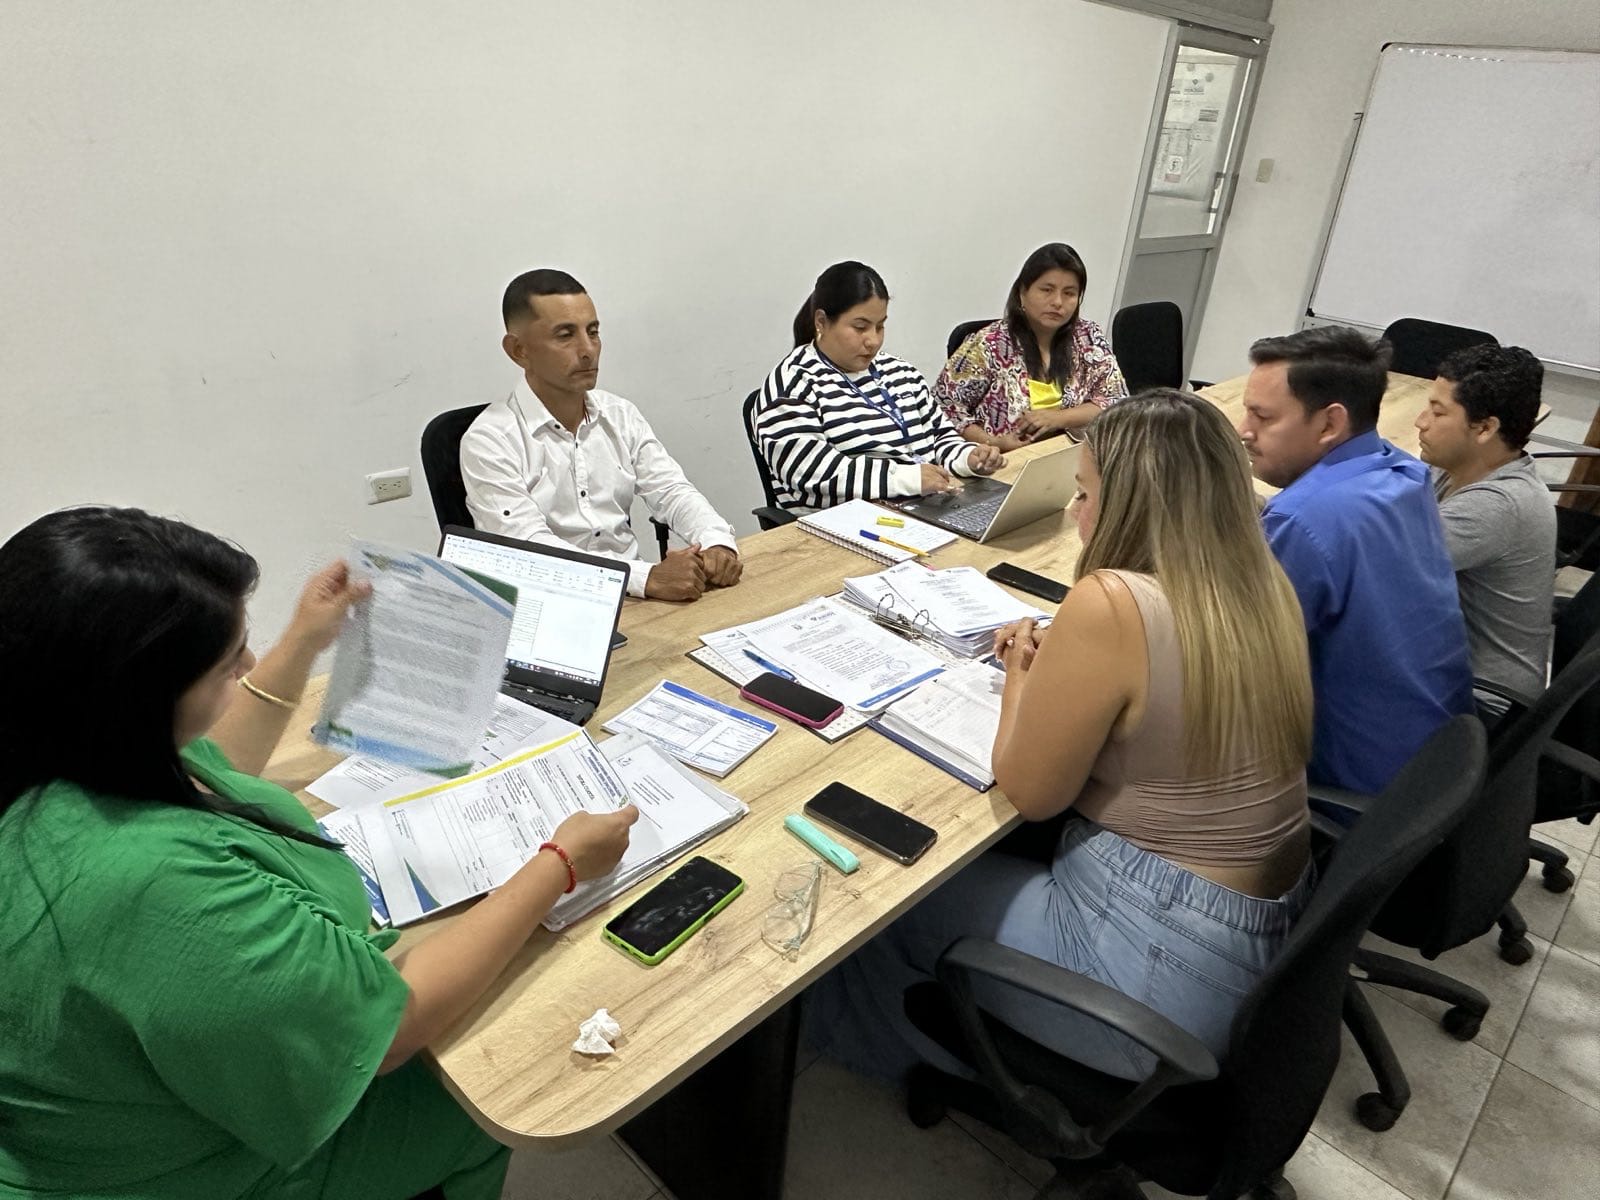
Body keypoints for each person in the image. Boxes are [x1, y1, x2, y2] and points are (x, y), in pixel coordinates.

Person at [0, 507, 639, 1200]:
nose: (248, 666)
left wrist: (304, 641)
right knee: (491, 1092)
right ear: (137, 702)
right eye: (227, 664)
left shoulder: (60, 751)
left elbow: (215, 763)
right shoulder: (152, 885)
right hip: (187, 1172)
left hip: (124, 1101)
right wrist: (559, 864)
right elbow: (393, 1025)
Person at [805, 390, 1315, 1082]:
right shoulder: (1259, 581)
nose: (1076, 512)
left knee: (878, 899)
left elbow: (1031, 792)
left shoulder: (1112, 600)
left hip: (1152, 973)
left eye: (1084, 494)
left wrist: (1021, 670)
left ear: (1131, 504)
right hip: (1253, 938)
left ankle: (909, 1062)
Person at [1239, 326, 1475, 795]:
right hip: (1432, 763)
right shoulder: (1404, 473)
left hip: (1351, 783)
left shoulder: (1300, 520)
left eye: (1262, 417)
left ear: (1330, 424)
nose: (1244, 431)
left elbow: (1228, 668)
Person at [462, 268, 741, 603]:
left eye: (593, 332)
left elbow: (671, 490)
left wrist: (715, 541)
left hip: (637, 600)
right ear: (519, 350)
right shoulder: (489, 440)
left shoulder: (619, 414)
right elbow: (530, 549)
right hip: (549, 607)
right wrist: (645, 577)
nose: (587, 349)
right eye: (565, 335)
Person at [753, 261, 1005, 512]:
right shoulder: (791, 387)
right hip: (848, 520)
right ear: (821, 321)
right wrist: (906, 479)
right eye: (860, 327)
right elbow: (812, 475)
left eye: (880, 326)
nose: (873, 340)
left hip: (927, 507)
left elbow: (939, 436)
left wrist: (967, 458)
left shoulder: (900, 371)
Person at [1417, 344, 1556, 704]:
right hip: (1446, 662)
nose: (1421, 422)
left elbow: (1373, 566)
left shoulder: (1494, 506)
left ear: (1484, 428)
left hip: (1481, 700)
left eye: (1438, 412)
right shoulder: (1462, 467)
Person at [933, 243, 1127, 451]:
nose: (1058, 302)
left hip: (1072, 455)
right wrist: (994, 443)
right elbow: (944, 410)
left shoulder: (1087, 336)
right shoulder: (989, 344)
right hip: (1003, 460)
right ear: (1022, 293)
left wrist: (1057, 418)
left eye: (1069, 293)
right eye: (1046, 290)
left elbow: (1116, 400)